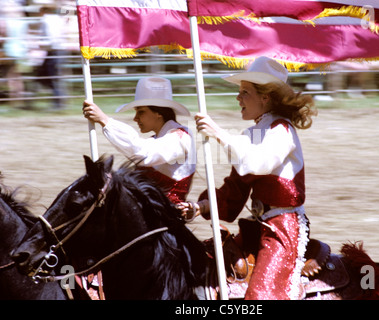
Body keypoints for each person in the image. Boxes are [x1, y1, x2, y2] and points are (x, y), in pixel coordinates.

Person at [180, 56, 317, 299]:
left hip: (283, 229)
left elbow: (258, 163)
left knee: (263, 295)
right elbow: (235, 189)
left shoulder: (282, 131)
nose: (238, 97)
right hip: (259, 226)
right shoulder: (253, 133)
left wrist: (219, 134)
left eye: (245, 92)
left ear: (265, 97)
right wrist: (199, 207)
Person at [83, 76, 196, 205]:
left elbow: (144, 153)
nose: (135, 118)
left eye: (141, 112)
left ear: (159, 112)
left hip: (165, 219)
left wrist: (105, 121)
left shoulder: (180, 138)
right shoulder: (159, 139)